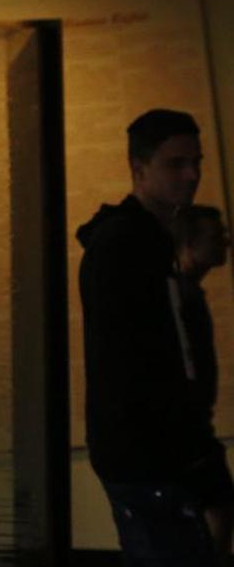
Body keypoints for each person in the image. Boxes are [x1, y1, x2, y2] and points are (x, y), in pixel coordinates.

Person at [77, 108, 223, 566]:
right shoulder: (127, 246)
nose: (192, 175)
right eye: (176, 163)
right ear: (140, 169)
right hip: (149, 454)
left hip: (151, 450)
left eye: (196, 162)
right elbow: (138, 360)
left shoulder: (143, 241)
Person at [172, 204, 234, 561]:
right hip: (190, 434)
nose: (225, 242)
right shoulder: (183, 296)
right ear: (189, 243)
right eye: (216, 236)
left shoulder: (185, 292)